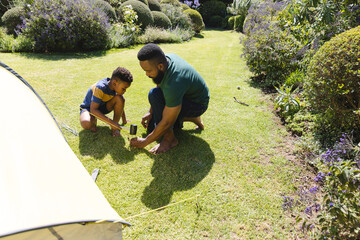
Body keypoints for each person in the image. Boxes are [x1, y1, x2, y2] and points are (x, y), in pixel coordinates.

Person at [130, 43, 209, 154]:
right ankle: (193, 118)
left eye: (148, 71)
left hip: (198, 105)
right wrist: (150, 112)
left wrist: (144, 142)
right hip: (189, 98)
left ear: (160, 66)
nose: (146, 75)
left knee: (155, 97)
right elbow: (160, 85)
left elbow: (167, 122)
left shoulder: (174, 82)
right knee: (152, 126)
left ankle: (170, 139)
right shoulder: (166, 60)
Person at [80, 67, 133, 136]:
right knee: (86, 124)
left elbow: (120, 103)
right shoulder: (100, 87)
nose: (125, 91)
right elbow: (93, 110)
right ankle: (93, 119)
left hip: (102, 107)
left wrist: (124, 120)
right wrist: (111, 122)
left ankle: (115, 128)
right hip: (89, 108)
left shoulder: (115, 88)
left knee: (120, 98)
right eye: (123, 89)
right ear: (114, 83)